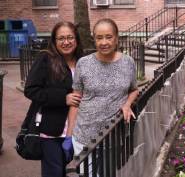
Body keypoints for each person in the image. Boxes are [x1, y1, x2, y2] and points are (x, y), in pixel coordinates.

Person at [63, 18, 138, 172]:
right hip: (84, 136)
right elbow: (75, 101)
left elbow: (134, 89)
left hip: (113, 135)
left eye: (108, 37)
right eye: (99, 38)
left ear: (116, 38)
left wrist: (127, 104)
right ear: (94, 39)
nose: (104, 42)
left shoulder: (128, 62)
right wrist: (69, 135)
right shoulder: (83, 63)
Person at [24, 21, 83, 177]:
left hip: (77, 129)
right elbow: (31, 90)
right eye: (61, 38)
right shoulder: (46, 58)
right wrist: (63, 98)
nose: (66, 42)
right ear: (54, 41)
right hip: (51, 131)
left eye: (70, 37)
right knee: (54, 173)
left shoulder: (83, 61)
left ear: (76, 39)